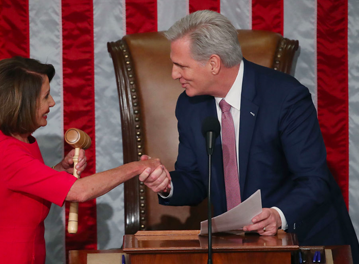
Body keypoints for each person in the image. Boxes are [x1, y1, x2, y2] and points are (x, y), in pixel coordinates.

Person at [139, 10, 359, 263]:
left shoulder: (286, 97)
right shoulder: (190, 106)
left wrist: (278, 215)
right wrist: (167, 184)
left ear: (213, 63)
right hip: (234, 246)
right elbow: (197, 180)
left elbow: (314, 180)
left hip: (303, 240)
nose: (174, 74)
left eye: (181, 65)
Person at [0, 57, 166, 264]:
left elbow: (19, 187)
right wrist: (138, 166)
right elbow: (79, 192)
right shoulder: (4, 151)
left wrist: (59, 170)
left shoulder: (17, 137)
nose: (52, 102)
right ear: (22, 103)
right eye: (45, 97)